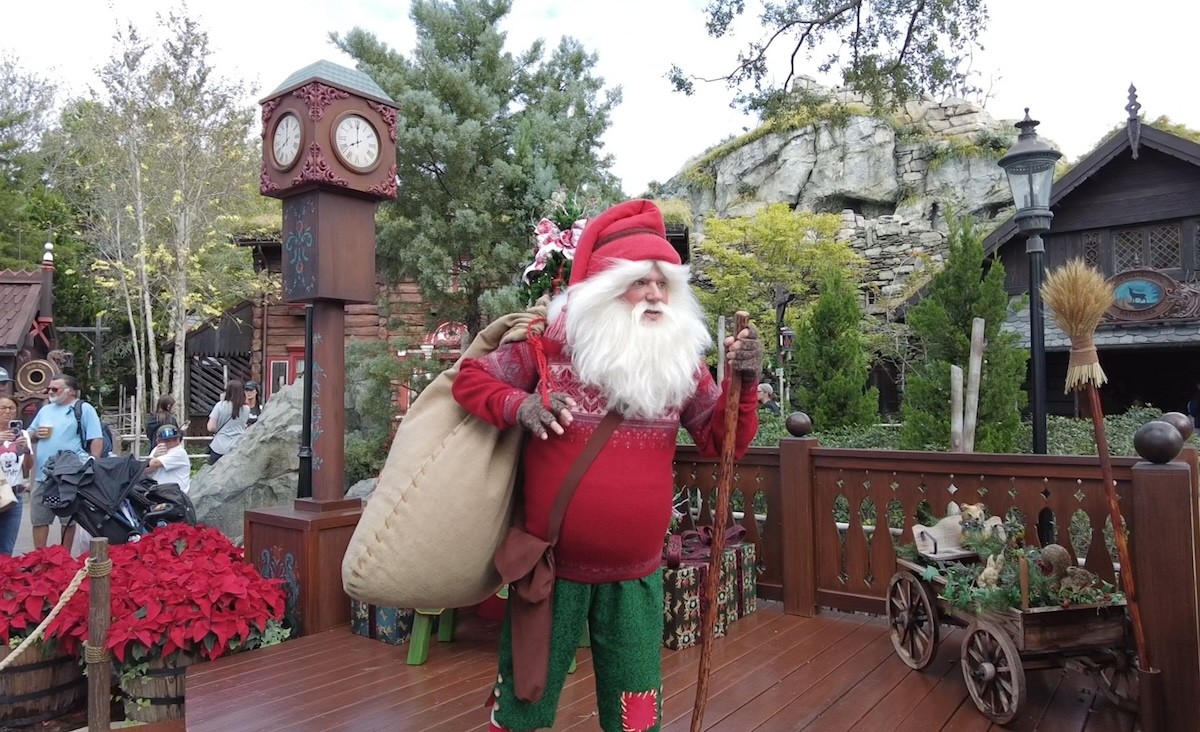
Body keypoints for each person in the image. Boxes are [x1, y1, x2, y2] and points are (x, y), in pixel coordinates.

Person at [452, 199, 762, 732]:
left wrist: (745, 384)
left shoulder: (681, 364)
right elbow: (470, 379)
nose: (655, 295)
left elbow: (722, 442)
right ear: (603, 287)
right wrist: (521, 406)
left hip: (636, 577)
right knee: (525, 705)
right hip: (551, 567)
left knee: (636, 715)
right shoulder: (550, 347)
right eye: (641, 282)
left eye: (664, 284)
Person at [28, 374, 104, 550]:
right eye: (49, 389)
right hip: (42, 473)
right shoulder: (45, 410)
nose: (50, 392)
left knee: (68, 519)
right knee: (39, 518)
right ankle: (40, 559)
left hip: (69, 474)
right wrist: (35, 434)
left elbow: (96, 438)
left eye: (55, 389)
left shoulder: (83, 408)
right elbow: (30, 433)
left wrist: (93, 463)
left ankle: (64, 557)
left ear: (70, 391)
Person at [0, 396, 31, 555]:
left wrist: (25, 451)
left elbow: (27, 469)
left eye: (11, 408)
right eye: (2, 408)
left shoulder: (23, 434)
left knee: (6, 548)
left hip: (15, 495)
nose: (7, 412)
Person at [206, 379, 249, 465]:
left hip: (219, 447)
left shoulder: (220, 405)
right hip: (237, 447)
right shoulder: (246, 409)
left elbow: (210, 427)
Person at [145, 423, 191, 494]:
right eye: (167, 440)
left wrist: (153, 457)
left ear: (179, 439)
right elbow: (146, 470)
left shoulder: (179, 452)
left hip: (176, 495)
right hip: (158, 492)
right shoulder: (156, 449)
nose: (171, 443)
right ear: (158, 441)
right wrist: (154, 456)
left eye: (175, 439)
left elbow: (154, 463)